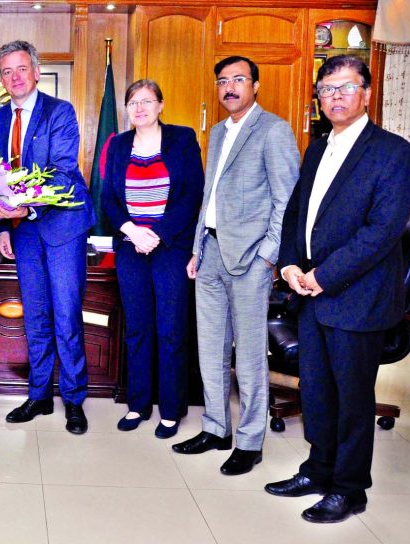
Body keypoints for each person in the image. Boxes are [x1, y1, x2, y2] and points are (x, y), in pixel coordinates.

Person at [265, 55, 410, 523]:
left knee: (352, 400)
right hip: (308, 295)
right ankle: (318, 468)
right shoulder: (317, 147)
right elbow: (296, 214)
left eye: (345, 88)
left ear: (367, 93)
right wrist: (290, 263)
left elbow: (382, 229)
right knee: (317, 391)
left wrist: (323, 276)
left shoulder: (393, 152)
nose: (335, 97)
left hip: (355, 296)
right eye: (326, 89)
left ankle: (350, 489)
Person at [172, 56, 299, 475]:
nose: (229, 87)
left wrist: (269, 255)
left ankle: (249, 441)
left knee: (247, 356)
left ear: (256, 85)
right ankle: (215, 427)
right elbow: (210, 197)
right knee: (208, 350)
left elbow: (287, 201)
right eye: (223, 81)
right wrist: (195, 249)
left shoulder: (274, 131)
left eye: (239, 80)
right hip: (209, 254)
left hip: (250, 261)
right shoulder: (217, 132)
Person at [0, 40, 97, 434]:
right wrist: (2, 225)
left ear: (35, 71)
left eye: (20, 69)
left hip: (62, 226)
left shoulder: (60, 112)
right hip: (24, 232)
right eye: (6, 72)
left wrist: (26, 208)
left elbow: (63, 171)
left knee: (66, 315)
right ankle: (38, 396)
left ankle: (74, 399)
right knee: (35, 315)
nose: (14, 77)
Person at [102, 79, 204, 439]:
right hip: (131, 245)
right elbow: (109, 198)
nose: (140, 108)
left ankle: (171, 409)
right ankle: (138, 404)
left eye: (147, 101)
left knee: (171, 328)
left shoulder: (182, 138)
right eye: (133, 103)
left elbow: (192, 196)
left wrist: (157, 233)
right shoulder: (117, 145)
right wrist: (132, 230)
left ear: (161, 105)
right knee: (138, 327)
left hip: (170, 245)